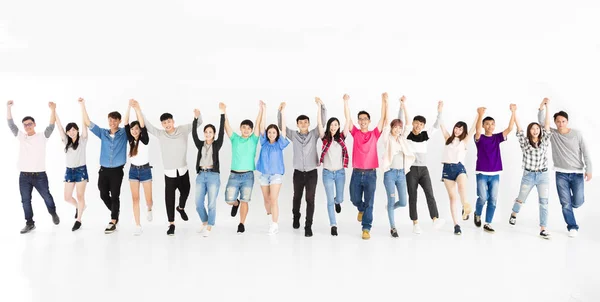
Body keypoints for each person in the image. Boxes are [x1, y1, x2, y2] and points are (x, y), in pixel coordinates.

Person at [139, 101, 202, 236]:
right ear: (162, 124)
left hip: (183, 170)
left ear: (173, 121)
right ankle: (171, 224)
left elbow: (199, 123)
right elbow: (148, 126)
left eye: (169, 121)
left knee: (186, 191)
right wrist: (138, 109)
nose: (167, 125)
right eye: (164, 123)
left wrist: (197, 115)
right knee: (169, 198)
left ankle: (181, 207)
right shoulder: (161, 134)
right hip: (169, 173)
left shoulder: (183, 129)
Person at [538, 98, 592, 237]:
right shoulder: (553, 134)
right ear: (555, 122)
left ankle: (573, 205)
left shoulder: (577, 134)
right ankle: (572, 227)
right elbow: (542, 122)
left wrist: (589, 169)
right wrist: (542, 106)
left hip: (577, 173)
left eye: (563, 121)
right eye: (558, 121)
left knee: (578, 201)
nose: (561, 124)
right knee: (565, 203)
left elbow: (585, 152)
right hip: (561, 174)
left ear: (567, 122)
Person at [7, 100, 59, 234]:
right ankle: (30, 223)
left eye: (30, 124)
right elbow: (11, 125)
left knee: (46, 196)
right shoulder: (21, 137)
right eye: (25, 125)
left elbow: (51, 126)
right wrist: (8, 107)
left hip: (39, 175)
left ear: (34, 124)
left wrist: (53, 109)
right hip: (24, 176)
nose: (27, 126)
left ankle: (53, 212)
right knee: (25, 200)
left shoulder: (42, 136)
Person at [277, 97, 327, 237]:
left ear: (309, 123)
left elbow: (322, 122)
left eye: (306, 122)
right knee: (297, 197)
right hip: (298, 173)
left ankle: (308, 225)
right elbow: (282, 127)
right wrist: (281, 111)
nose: (303, 124)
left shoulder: (314, 134)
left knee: (310, 199)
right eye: (301, 122)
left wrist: (321, 106)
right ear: (297, 124)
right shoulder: (293, 135)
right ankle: (296, 216)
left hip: (311, 173)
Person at [81, 98, 127, 234]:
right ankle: (115, 211)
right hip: (104, 170)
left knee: (115, 195)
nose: (112, 123)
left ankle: (113, 220)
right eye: (110, 120)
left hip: (117, 171)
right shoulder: (103, 133)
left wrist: (130, 108)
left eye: (114, 120)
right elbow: (88, 122)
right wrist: (82, 105)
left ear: (119, 121)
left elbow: (130, 124)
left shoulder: (124, 133)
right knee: (103, 194)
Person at [344, 93, 386, 240]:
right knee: (354, 199)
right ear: (358, 121)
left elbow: (383, 119)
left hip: (370, 174)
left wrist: (384, 101)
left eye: (365, 119)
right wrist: (346, 103)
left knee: (370, 202)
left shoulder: (374, 134)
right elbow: (347, 119)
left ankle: (366, 228)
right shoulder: (355, 133)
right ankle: (361, 209)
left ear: (369, 121)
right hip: (356, 173)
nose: (362, 121)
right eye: (360, 119)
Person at [399, 98, 445, 234]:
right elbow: (401, 120)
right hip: (411, 169)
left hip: (424, 169)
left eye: (421, 124)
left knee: (430, 193)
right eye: (417, 123)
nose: (419, 126)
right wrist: (402, 106)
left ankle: (435, 218)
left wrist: (440, 111)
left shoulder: (425, 135)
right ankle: (415, 223)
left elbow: (436, 125)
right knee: (413, 196)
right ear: (413, 123)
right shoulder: (406, 133)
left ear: (423, 126)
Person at [509, 100, 552, 239]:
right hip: (528, 175)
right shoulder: (525, 141)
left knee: (544, 202)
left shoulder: (545, 140)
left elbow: (546, 124)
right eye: (533, 128)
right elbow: (519, 127)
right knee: (521, 199)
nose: (535, 130)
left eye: (537, 128)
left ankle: (543, 228)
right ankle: (514, 213)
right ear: (530, 131)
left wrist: (547, 107)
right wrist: (514, 112)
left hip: (543, 175)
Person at [438, 101, 481, 235]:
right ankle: (457, 225)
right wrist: (439, 111)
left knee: (462, 187)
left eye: (460, 129)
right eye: (456, 127)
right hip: (446, 170)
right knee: (452, 198)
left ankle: (465, 206)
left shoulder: (464, 141)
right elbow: (441, 124)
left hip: (459, 168)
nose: (457, 130)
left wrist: (479, 115)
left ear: (463, 131)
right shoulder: (447, 138)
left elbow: (474, 128)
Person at [473, 103, 516, 233]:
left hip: (495, 173)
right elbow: (478, 130)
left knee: (493, 199)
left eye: (492, 124)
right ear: (483, 125)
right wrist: (480, 115)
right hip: (481, 172)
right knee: (483, 197)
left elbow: (510, 128)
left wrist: (513, 112)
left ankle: (488, 223)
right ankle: (477, 212)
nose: (490, 126)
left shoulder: (497, 138)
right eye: (487, 124)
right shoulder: (479, 138)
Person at [224, 101, 264, 234]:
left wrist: (261, 110)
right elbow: (227, 126)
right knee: (229, 199)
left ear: (251, 131)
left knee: (245, 200)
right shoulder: (235, 138)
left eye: (249, 128)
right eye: (244, 127)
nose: (246, 130)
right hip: (234, 175)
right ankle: (235, 204)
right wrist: (224, 112)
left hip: (248, 175)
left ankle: (241, 224)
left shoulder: (253, 139)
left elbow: (258, 124)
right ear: (240, 128)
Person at [381, 96, 416, 238]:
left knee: (402, 202)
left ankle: (389, 207)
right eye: (395, 127)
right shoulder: (387, 138)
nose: (397, 129)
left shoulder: (402, 139)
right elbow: (385, 122)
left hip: (401, 174)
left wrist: (403, 105)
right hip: (390, 174)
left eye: (399, 127)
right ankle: (393, 227)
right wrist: (387, 104)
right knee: (391, 200)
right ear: (391, 128)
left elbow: (408, 123)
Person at [192, 102, 226, 237]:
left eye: (210, 132)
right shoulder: (200, 144)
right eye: (206, 132)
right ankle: (205, 221)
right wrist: (195, 118)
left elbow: (222, 130)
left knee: (211, 203)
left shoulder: (217, 144)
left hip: (213, 175)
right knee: (198, 203)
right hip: (201, 175)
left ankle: (210, 226)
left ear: (214, 134)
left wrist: (223, 114)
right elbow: (194, 134)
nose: (207, 134)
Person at [54, 99, 88, 232]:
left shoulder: (83, 140)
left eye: (74, 130)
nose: (72, 132)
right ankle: (80, 207)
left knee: (80, 196)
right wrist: (54, 110)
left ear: (77, 130)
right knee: (67, 197)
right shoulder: (66, 141)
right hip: (69, 171)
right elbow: (59, 126)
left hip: (81, 171)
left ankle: (78, 219)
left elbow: (84, 123)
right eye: (70, 131)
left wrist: (82, 106)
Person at [257, 102, 289, 235]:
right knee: (267, 200)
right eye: (269, 132)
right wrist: (264, 109)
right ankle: (271, 218)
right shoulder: (264, 142)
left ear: (277, 134)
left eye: (273, 132)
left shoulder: (280, 144)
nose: (271, 134)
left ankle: (275, 224)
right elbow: (261, 127)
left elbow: (284, 129)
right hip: (264, 175)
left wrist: (282, 112)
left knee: (273, 199)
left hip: (276, 175)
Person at [319, 104, 349, 237]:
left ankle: (338, 202)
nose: (333, 127)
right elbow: (319, 123)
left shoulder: (342, 137)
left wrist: (345, 102)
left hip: (340, 173)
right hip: (327, 173)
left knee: (340, 198)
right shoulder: (324, 138)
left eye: (335, 125)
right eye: (331, 125)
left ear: (338, 126)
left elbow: (348, 120)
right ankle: (333, 225)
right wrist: (319, 106)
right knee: (329, 200)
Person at [124, 100, 154, 236]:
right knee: (135, 199)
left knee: (149, 200)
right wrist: (129, 107)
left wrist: (137, 109)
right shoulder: (130, 140)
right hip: (133, 171)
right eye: (132, 129)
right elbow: (125, 123)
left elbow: (142, 123)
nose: (134, 131)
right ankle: (137, 225)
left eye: (137, 129)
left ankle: (149, 209)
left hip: (145, 171)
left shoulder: (144, 139)